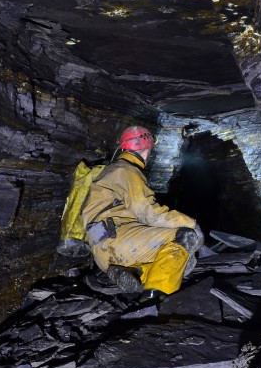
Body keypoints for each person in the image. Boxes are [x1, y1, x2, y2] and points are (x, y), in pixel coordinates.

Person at [81, 125, 203, 305]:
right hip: (122, 243)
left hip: (102, 253)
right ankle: (156, 298)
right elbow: (149, 213)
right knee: (185, 238)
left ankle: (135, 272)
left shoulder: (108, 172)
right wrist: (191, 224)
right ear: (146, 150)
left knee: (186, 261)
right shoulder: (127, 171)